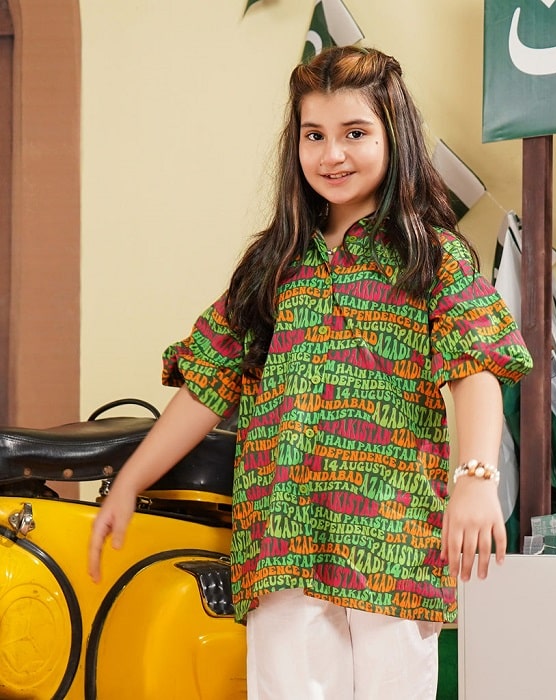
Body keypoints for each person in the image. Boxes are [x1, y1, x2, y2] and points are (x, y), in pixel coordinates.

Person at [88, 45, 533, 700]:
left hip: (390, 542)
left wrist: (475, 479)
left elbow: (476, 369)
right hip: (282, 537)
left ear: (394, 136)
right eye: (314, 135)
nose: (332, 154)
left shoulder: (430, 257)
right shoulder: (272, 264)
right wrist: (129, 480)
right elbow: (208, 383)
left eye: (355, 133)